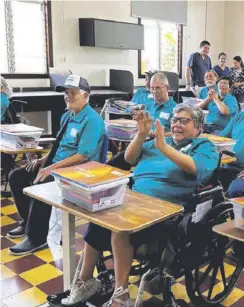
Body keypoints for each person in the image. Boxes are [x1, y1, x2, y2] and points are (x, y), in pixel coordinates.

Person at [61, 104, 219, 307]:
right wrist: (141, 134)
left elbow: (196, 168)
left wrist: (165, 148)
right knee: (98, 218)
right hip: (133, 200)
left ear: (198, 128)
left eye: (184, 120)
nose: (177, 124)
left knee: (120, 228)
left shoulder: (203, 146)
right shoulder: (160, 141)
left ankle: (121, 295)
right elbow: (129, 158)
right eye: (175, 119)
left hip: (165, 211)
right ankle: (84, 281)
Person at [7, 75, 106, 255]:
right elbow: (59, 145)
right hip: (58, 165)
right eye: (66, 93)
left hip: (79, 171)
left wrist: (51, 168)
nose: (68, 96)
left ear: (86, 96)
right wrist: (42, 161)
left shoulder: (92, 120)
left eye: (73, 93)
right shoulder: (67, 116)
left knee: (42, 184)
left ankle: (36, 237)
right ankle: (28, 221)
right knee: (17, 176)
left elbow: (83, 156)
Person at [106, 72, 177, 170]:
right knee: (113, 164)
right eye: (152, 88)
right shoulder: (147, 105)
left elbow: (176, 134)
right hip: (140, 144)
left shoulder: (176, 109)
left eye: (158, 88)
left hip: (158, 148)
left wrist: (156, 134)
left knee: (121, 162)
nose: (154, 91)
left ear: (167, 88)